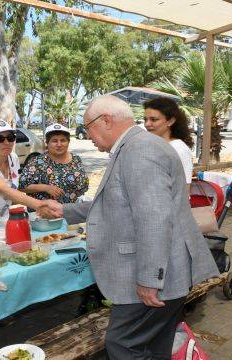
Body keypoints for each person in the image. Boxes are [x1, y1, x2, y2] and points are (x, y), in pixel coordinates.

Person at [47, 95, 219, 359]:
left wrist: (149, 280)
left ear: (105, 120)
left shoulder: (140, 150)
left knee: (122, 344)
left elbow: (154, 218)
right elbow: (118, 202)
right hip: (164, 274)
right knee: (155, 346)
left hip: (155, 278)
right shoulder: (136, 146)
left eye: (87, 127)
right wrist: (65, 210)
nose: (86, 135)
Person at [20, 123, 89, 204]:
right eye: (54, 141)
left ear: (68, 142)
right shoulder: (37, 162)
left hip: (71, 211)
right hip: (45, 212)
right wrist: (45, 188)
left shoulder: (76, 160)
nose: (59, 144)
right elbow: (21, 186)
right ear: (47, 143)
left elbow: (83, 186)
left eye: (63, 140)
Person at [142, 97, 195, 189]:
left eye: (153, 119)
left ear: (170, 121)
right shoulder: (153, 145)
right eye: (145, 119)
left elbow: (184, 190)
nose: (147, 124)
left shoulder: (178, 149)